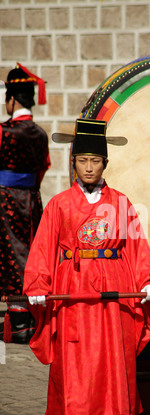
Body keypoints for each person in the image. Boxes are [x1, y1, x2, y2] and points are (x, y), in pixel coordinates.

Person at [23, 118, 150, 415]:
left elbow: (136, 247)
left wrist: (148, 279)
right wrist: (38, 286)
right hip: (72, 288)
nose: (89, 167)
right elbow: (42, 247)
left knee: (113, 356)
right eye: (82, 160)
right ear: (73, 163)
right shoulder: (59, 204)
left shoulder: (121, 203)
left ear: (105, 163)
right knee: (72, 358)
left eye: (95, 161)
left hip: (113, 289)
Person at [0, 63, 50, 344]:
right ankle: (32, 315)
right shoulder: (41, 134)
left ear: (13, 99)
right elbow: (43, 168)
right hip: (31, 198)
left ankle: (18, 320)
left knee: (10, 254)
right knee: (31, 251)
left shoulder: (4, 131)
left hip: (5, 199)